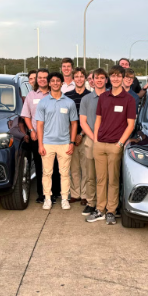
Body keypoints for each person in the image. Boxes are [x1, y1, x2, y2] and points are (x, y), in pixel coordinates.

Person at [87, 66, 137, 225]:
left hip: (115, 146)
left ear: (123, 78)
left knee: (113, 180)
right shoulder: (103, 97)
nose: (115, 79)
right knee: (100, 179)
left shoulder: (129, 99)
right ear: (110, 79)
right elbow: (98, 120)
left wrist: (120, 144)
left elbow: (130, 124)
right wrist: (95, 140)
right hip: (100, 144)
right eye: (113, 76)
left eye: (118, 76)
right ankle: (100, 210)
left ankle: (111, 210)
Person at [35, 72, 78, 210]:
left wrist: (71, 142)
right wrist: (40, 144)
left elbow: (74, 124)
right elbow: (39, 124)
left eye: (57, 81)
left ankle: (65, 198)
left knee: (64, 173)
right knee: (47, 173)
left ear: (61, 83)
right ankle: (47, 198)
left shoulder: (69, 102)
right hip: (47, 143)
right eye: (52, 81)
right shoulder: (43, 102)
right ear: (49, 83)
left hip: (65, 143)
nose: (55, 83)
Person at [22, 69, 56, 203]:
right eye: (39, 77)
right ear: (36, 80)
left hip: (52, 135)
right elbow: (26, 115)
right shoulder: (31, 95)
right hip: (36, 136)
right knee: (39, 165)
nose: (42, 79)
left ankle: (52, 193)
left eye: (44, 77)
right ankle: (42, 194)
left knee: (52, 166)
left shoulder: (54, 94)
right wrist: (31, 130)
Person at [79, 68, 107, 216]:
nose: (99, 80)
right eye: (97, 78)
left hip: (108, 141)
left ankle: (106, 204)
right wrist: (94, 137)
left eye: (102, 78)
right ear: (93, 80)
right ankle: (91, 202)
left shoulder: (111, 97)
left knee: (106, 176)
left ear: (106, 80)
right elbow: (83, 122)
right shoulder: (86, 99)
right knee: (90, 175)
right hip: (91, 140)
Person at [64, 68, 91, 205]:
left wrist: (81, 134)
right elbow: (65, 118)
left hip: (85, 135)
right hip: (71, 136)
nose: (79, 79)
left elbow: (91, 119)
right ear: (73, 79)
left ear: (85, 78)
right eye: (77, 76)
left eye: (82, 76)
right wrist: (72, 137)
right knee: (73, 167)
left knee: (85, 167)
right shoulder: (67, 96)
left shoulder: (90, 96)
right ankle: (75, 193)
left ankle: (85, 194)